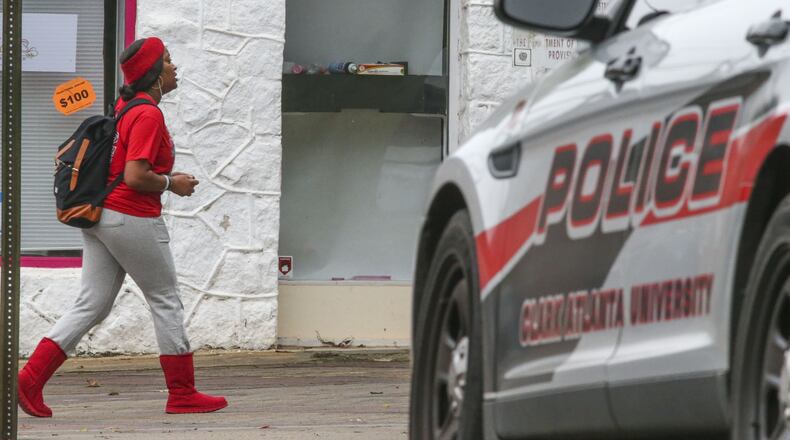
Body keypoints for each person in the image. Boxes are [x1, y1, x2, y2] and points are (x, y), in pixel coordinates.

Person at [17, 37, 228, 417]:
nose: (174, 66)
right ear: (153, 74)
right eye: (167, 60)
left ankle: (29, 379)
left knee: (91, 303)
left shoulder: (125, 107)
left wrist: (162, 177)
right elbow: (134, 175)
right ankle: (182, 393)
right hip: (131, 216)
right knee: (165, 299)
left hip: (101, 217)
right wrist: (171, 184)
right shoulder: (147, 114)